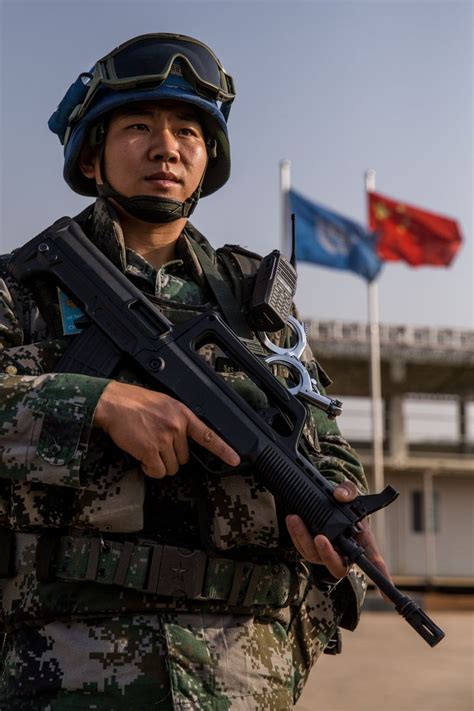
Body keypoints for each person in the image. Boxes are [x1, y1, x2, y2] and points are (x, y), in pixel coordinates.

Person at [0, 33, 389, 709]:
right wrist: (93, 403)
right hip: (61, 668)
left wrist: (337, 501)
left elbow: (324, 439)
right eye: (139, 126)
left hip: (242, 676)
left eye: (188, 131)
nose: (167, 146)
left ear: (207, 161)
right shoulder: (23, 288)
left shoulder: (259, 308)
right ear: (93, 154)